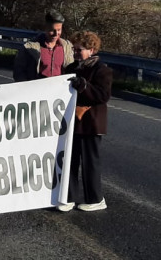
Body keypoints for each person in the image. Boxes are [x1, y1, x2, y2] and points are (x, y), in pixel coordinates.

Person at [58, 31, 112, 212]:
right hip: (72, 122)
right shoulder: (71, 67)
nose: (75, 52)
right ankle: (68, 197)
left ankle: (96, 199)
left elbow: (103, 96)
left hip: (91, 124)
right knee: (70, 162)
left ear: (92, 49)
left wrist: (85, 87)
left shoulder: (102, 70)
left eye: (79, 49)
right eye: (74, 49)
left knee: (90, 163)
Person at [13, 10, 74, 82]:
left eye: (59, 30)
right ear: (45, 28)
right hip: (37, 90)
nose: (56, 33)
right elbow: (18, 72)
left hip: (59, 90)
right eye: (52, 30)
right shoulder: (29, 48)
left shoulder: (67, 47)